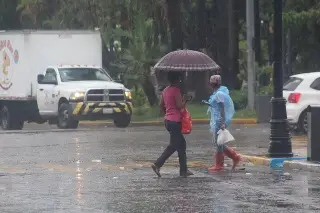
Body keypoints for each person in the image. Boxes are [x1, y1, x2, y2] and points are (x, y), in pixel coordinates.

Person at [151, 71, 193, 177]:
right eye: (179, 79)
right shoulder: (176, 90)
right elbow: (179, 106)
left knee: (181, 145)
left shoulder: (165, 91)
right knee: (174, 145)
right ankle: (157, 164)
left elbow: (161, 105)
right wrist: (186, 100)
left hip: (168, 121)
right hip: (175, 122)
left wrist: (168, 114)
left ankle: (183, 170)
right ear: (177, 79)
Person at [205, 75, 241, 172]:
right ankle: (234, 157)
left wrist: (223, 123)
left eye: (211, 82)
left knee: (218, 143)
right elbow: (217, 105)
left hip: (219, 120)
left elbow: (222, 109)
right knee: (218, 142)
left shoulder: (219, 94)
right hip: (217, 119)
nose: (210, 83)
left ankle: (219, 164)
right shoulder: (217, 93)